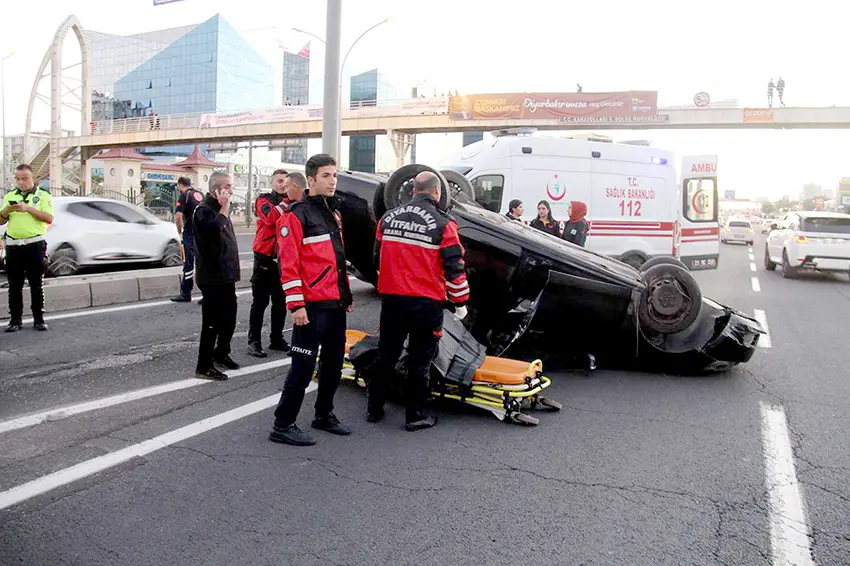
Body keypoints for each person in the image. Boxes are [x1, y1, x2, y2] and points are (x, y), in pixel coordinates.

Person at [368, 171, 470, 431]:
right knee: (419, 361)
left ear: (413, 190)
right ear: (437, 192)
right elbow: (454, 267)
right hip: (425, 304)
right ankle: (415, 416)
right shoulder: (444, 224)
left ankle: (374, 409)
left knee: (386, 354)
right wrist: (460, 303)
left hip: (392, 300)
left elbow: (376, 259)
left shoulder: (387, 219)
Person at [269, 154, 352, 446]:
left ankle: (323, 414)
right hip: (311, 307)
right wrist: (296, 305)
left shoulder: (334, 213)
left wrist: (345, 296)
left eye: (335, 175)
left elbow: (337, 261)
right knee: (303, 368)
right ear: (312, 180)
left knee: (333, 366)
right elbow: (288, 264)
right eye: (327, 176)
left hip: (334, 304)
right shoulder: (295, 215)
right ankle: (283, 424)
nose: (333, 181)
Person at [246, 169, 302, 358]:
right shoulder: (264, 200)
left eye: (285, 181)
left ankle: (276, 339)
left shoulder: (295, 203)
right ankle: (253, 342)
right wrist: (287, 201)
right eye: (279, 181)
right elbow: (270, 218)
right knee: (260, 302)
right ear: (272, 182)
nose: (282, 184)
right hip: (264, 258)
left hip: (282, 260)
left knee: (280, 302)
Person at [192, 171, 241, 380]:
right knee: (211, 322)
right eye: (228, 187)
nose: (231, 191)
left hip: (226, 275)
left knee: (229, 318)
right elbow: (213, 231)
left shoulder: (221, 210)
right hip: (211, 276)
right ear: (216, 190)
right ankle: (204, 365)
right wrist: (224, 208)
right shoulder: (203, 211)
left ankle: (221, 353)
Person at [0, 164, 54, 332]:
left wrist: (28, 208)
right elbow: (1, 220)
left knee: (36, 283)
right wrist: (6, 210)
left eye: (24, 179)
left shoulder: (42, 195)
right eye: (17, 179)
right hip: (14, 246)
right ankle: (15, 320)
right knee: (14, 285)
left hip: (34, 245)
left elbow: (48, 218)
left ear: (32, 178)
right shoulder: (10, 196)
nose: (21, 182)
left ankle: (39, 319)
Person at [171, 177, 203, 303]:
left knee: (188, 264)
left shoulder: (184, 196)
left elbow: (178, 216)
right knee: (202, 264)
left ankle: (185, 293)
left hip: (189, 235)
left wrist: (180, 231)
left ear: (180, 185)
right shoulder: (199, 194)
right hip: (202, 235)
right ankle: (206, 294)